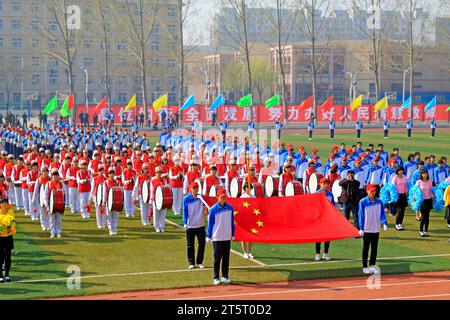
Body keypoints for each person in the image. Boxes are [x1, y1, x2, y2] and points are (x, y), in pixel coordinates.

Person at [358, 184, 388, 274]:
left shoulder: (379, 202)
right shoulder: (363, 202)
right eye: (371, 191)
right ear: (367, 191)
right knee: (366, 248)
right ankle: (364, 266)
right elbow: (361, 215)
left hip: (376, 228)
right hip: (366, 229)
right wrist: (361, 228)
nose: (373, 193)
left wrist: (384, 223)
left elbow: (382, 213)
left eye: (374, 191)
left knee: (374, 248)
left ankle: (372, 266)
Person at [206, 189, 235, 285]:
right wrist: (209, 235)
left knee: (226, 257)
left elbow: (232, 221)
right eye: (222, 197)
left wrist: (233, 234)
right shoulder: (213, 209)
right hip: (217, 236)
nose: (223, 199)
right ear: (217, 198)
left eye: (225, 197)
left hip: (227, 236)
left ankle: (225, 276)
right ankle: (216, 277)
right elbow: (210, 223)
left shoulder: (230, 208)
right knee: (217, 257)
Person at [182, 182, 206, 270]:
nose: (195, 189)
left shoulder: (201, 198)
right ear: (190, 189)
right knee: (190, 245)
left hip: (200, 224)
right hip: (190, 225)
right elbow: (184, 211)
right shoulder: (186, 199)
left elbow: (209, 202)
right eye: (193, 188)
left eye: (196, 188)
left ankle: (199, 262)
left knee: (202, 243)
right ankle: (191, 262)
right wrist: (185, 222)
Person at [315, 178, 334, 261]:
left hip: (328, 218)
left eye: (326, 184)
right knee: (318, 237)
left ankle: (325, 254)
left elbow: (333, 206)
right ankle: (317, 254)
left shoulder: (330, 194)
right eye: (324, 184)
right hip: (319, 218)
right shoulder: (316, 194)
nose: (325, 185)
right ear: (320, 184)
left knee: (328, 236)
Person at [44, 169, 64, 238]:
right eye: (54, 175)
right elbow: (46, 195)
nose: (55, 176)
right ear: (51, 176)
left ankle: (58, 232)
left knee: (59, 219)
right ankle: (52, 232)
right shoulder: (48, 184)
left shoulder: (61, 184)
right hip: (51, 205)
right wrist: (47, 205)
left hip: (59, 204)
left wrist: (63, 204)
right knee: (52, 219)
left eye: (56, 175)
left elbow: (64, 194)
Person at [0, 196, 15, 283]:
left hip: (8, 237)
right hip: (0, 237)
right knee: (0, 256)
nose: (4, 204)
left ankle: (7, 274)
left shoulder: (11, 212)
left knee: (8, 256)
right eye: (2, 203)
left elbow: (13, 222)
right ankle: (0, 275)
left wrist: (11, 228)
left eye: (5, 203)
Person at [416, 169, 434, 237]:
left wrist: (433, 198)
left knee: (427, 217)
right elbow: (415, 192)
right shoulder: (418, 182)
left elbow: (431, 190)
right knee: (423, 217)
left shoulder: (430, 181)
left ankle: (426, 231)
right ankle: (421, 231)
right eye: (423, 173)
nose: (425, 175)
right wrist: (415, 198)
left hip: (428, 200)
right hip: (422, 201)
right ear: (421, 175)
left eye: (426, 173)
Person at [240, 182, 255, 259]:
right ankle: (245, 252)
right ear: (245, 189)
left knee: (251, 236)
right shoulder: (242, 197)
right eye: (247, 188)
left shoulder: (253, 197)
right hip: (244, 218)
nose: (248, 189)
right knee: (244, 236)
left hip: (251, 218)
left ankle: (250, 252)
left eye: (250, 188)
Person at [392, 166, 408, 231]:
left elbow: (405, 186)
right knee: (399, 210)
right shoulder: (395, 178)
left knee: (403, 211)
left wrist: (407, 192)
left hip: (403, 195)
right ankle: (397, 224)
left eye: (402, 170)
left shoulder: (404, 177)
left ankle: (400, 224)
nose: (401, 171)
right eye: (399, 170)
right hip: (397, 195)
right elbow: (393, 187)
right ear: (397, 172)